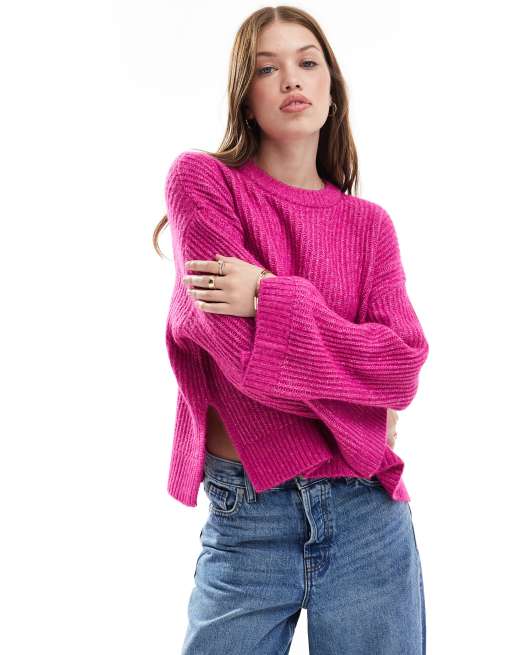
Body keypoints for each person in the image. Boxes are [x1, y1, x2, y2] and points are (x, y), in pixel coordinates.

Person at [154, 6, 428, 654]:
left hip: (368, 517)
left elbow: (401, 368)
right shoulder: (202, 182)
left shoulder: (369, 225)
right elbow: (241, 359)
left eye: (307, 62)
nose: (290, 79)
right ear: (245, 98)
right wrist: (360, 406)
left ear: (332, 90)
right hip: (248, 515)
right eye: (265, 68)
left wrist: (268, 295)